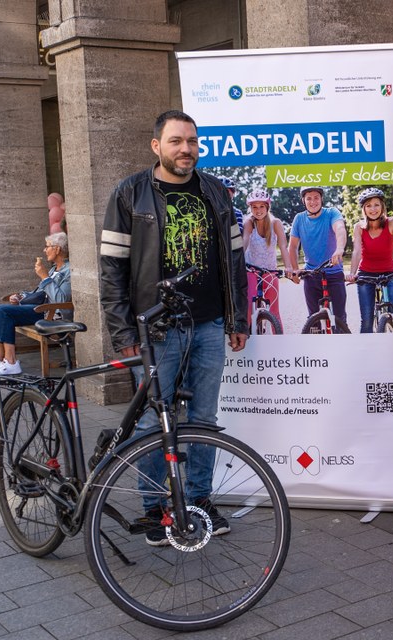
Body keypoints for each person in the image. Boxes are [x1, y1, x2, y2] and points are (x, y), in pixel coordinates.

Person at [100, 109, 249, 546]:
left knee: (203, 419)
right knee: (151, 422)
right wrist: (123, 333)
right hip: (154, 331)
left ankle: (199, 500)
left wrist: (237, 318)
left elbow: (236, 262)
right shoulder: (130, 194)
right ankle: (153, 508)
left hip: (208, 325)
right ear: (156, 146)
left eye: (193, 141)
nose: (186, 149)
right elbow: (112, 270)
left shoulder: (218, 192)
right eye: (177, 141)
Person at [0, 232, 71, 377]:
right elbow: (39, 294)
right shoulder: (53, 269)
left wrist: (45, 277)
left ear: (57, 249)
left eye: (47, 247)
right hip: (41, 308)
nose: (45, 250)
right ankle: (0, 359)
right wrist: (21, 297)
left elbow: (61, 299)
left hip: (51, 313)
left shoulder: (68, 271)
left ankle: (11, 362)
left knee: (3, 312)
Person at [346, 187, 393, 332]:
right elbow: (356, 252)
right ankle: (366, 352)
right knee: (367, 320)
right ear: (364, 209)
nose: (373, 209)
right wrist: (352, 273)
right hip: (366, 273)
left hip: (389, 272)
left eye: (376, 204)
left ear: (382, 206)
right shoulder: (359, 227)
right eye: (368, 205)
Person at [287, 186, 347, 324]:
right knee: (313, 319)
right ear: (303, 201)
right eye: (309, 198)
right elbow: (293, 246)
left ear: (321, 199)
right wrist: (295, 269)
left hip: (334, 272)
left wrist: (339, 248)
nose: (313, 201)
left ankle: (341, 342)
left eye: (316, 198)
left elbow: (339, 228)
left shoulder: (332, 212)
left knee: (339, 318)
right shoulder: (299, 219)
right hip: (311, 274)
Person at [243, 188, 296, 330]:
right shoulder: (248, 223)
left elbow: (283, 246)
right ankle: (247, 340)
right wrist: (238, 262)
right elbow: (245, 241)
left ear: (267, 207)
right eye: (254, 207)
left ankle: (279, 342)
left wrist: (288, 267)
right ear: (250, 208)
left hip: (270, 270)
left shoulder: (275, 223)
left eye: (261, 206)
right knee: (249, 305)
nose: (258, 210)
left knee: (274, 309)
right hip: (251, 269)